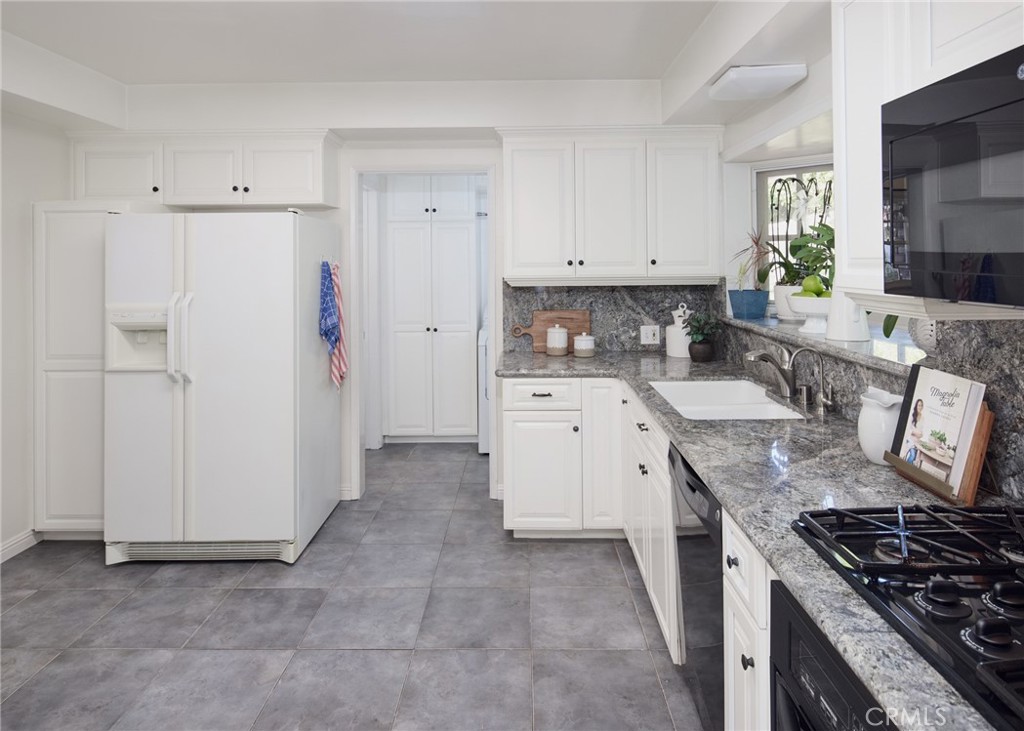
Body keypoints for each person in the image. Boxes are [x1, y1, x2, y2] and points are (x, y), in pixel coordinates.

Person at [901, 398, 925, 465]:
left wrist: (921, 434)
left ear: (922, 407)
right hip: (910, 440)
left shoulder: (923, 418)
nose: (920, 407)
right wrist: (916, 433)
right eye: (918, 405)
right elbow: (909, 429)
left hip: (917, 441)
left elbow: (921, 431)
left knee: (914, 458)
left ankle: (906, 466)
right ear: (916, 406)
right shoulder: (912, 416)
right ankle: (906, 468)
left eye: (921, 405)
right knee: (912, 456)